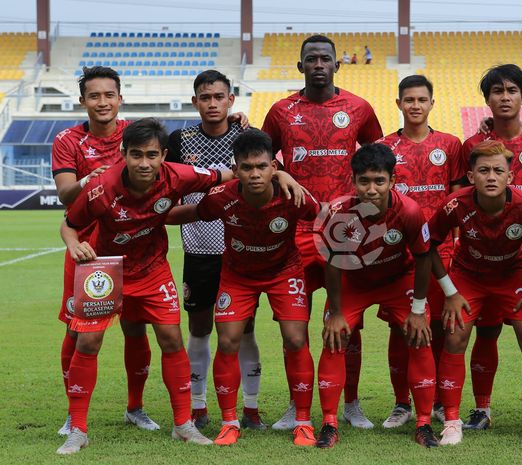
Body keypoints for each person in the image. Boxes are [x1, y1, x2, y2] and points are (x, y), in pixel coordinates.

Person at [56, 118, 230, 454]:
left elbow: (227, 174)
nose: (144, 163)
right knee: (88, 342)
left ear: (164, 154)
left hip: (152, 269)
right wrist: (73, 244)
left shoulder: (180, 175)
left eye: (152, 155)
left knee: (171, 338)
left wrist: (278, 172)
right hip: (105, 270)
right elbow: (69, 225)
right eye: (136, 155)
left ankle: (182, 425)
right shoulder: (101, 188)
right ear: (124, 154)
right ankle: (77, 428)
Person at [166, 129, 319, 447]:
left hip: (283, 271)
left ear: (273, 167)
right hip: (238, 276)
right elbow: (193, 212)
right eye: (246, 168)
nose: (254, 174)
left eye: (261, 166)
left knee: (295, 338)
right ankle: (229, 422)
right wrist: (151, 217)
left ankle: (303, 422)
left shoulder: (292, 195)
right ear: (235, 169)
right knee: (229, 340)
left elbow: (323, 214)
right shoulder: (223, 197)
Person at [262, 34, 383, 430]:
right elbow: (263, 160)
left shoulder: (358, 108)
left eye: (325, 58)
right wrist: (279, 170)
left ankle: (350, 403)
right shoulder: (281, 111)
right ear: (300, 66)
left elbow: (377, 157)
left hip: (346, 229)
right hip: (295, 230)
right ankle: (296, 406)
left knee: (347, 321)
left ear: (336, 65)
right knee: (294, 325)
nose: (318, 64)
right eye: (310, 58)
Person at [51, 66, 157, 436]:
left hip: (136, 247)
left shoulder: (136, 134)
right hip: (87, 250)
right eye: (94, 96)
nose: (102, 102)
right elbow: (65, 194)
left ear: (120, 98)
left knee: (135, 327)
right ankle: (73, 413)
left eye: (109, 95)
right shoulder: (68, 140)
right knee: (79, 334)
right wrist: (89, 179)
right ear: (83, 101)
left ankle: (136, 407)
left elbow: (171, 158)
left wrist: (238, 123)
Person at [429, 140, 522, 447]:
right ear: (471, 176)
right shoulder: (455, 204)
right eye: (484, 170)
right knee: (455, 335)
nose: (491, 177)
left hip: (513, 273)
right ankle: (452, 421)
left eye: (499, 170)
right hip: (468, 275)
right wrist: (449, 292)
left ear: (510, 177)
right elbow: (427, 243)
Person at [315, 143, 438, 449]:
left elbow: (424, 258)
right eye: (364, 181)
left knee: (419, 337)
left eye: (379, 181)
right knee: (335, 337)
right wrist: (337, 313)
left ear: (392, 181)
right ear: (353, 181)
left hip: (398, 280)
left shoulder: (409, 211)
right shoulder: (338, 212)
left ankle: (423, 423)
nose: (371, 189)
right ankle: (329, 422)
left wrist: (419, 309)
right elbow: (332, 263)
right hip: (354, 281)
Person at [460, 64, 522, 432]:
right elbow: (461, 199)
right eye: (497, 91)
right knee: (485, 332)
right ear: (487, 99)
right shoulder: (472, 146)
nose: (505, 96)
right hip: (482, 256)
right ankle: (482, 410)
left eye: (512, 90)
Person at [166, 70, 260, 430]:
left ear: (231, 100)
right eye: (205, 98)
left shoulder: (247, 136)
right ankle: (198, 404)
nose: (212, 104)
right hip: (199, 249)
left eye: (219, 97)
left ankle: (250, 408)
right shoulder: (180, 140)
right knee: (200, 327)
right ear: (195, 102)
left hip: (241, 248)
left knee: (244, 330)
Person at [376, 75, 464, 428]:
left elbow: (457, 197)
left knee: (442, 328)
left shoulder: (450, 144)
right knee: (400, 329)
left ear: (431, 104)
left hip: (441, 252)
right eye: (408, 100)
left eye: (421, 99)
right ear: (398, 104)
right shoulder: (384, 147)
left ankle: (441, 400)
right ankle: (402, 403)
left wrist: (455, 243)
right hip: (397, 255)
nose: (415, 105)